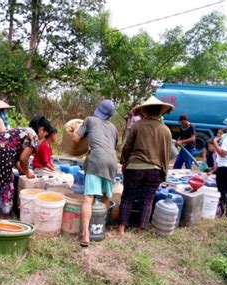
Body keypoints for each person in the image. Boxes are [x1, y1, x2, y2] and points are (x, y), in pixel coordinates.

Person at [0, 115, 53, 218]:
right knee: (6, 185)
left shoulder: (21, 130)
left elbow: (16, 160)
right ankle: (4, 216)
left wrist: (22, 171)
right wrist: (27, 173)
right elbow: (23, 159)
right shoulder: (33, 135)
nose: (43, 137)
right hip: (0, 153)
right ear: (42, 130)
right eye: (45, 134)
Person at [118, 96, 174, 235]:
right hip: (155, 170)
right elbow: (167, 154)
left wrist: (124, 162)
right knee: (147, 200)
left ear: (146, 111)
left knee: (128, 197)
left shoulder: (138, 125)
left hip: (135, 167)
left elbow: (127, 147)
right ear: (159, 112)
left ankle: (121, 228)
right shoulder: (165, 130)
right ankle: (140, 230)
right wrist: (164, 173)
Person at [72, 99, 118, 247]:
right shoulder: (114, 128)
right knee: (105, 196)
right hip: (112, 162)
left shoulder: (89, 120)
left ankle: (86, 235)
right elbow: (111, 145)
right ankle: (99, 228)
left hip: (96, 160)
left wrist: (76, 128)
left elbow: (75, 138)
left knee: (88, 198)